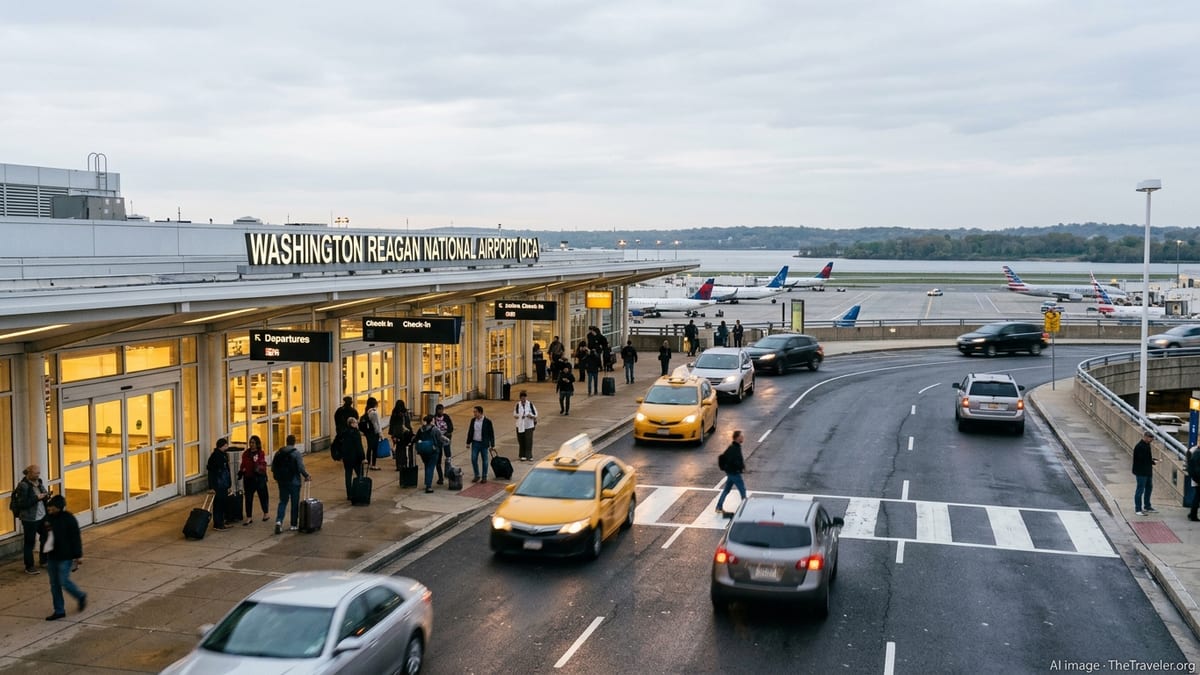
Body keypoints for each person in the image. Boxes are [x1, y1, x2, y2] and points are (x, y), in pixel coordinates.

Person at [43, 495, 85, 621]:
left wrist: (78, 555)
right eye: (49, 508)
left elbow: (75, 538)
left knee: (63, 581)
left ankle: (80, 595)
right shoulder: (48, 518)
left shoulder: (68, 519)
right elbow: (44, 534)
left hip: (65, 556)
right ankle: (59, 610)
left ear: (59, 508)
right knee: (54, 584)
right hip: (52, 555)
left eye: (52, 508)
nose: (50, 510)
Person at [14, 465, 50, 575]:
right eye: (35, 473)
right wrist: (36, 498)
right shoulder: (23, 486)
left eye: (38, 473)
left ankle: (44, 560)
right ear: (28, 473)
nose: (38, 475)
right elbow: (22, 503)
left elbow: (43, 494)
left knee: (46, 536)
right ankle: (29, 566)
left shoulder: (39, 482)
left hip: (41, 515)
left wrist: (46, 496)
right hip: (30, 518)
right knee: (30, 542)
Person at [272, 434, 311, 534]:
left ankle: (279, 521)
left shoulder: (279, 452)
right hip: (294, 482)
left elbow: (273, 467)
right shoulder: (296, 453)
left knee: (283, 501)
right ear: (294, 442)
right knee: (294, 503)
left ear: (286, 441)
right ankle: (293, 524)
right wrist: (306, 476)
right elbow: (301, 468)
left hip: (282, 482)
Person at [238, 435, 270, 525]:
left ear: (257, 444)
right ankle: (249, 517)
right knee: (248, 498)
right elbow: (243, 464)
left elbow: (262, 464)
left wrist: (256, 463)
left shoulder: (260, 453)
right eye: (250, 442)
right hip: (249, 478)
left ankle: (266, 513)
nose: (251, 444)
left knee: (263, 496)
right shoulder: (246, 453)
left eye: (253, 443)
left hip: (259, 478)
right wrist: (241, 471)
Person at [414, 415, 449, 493]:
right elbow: (440, 438)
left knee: (427, 466)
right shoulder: (435, 429)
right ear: (432, 421)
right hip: (433, 450)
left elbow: (416, 438)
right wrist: (447, 441)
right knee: (431, 467)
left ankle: (427, 482)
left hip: (423, 451)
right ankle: (428, 486)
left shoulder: (421, 429)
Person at [715, 430, 747, 514]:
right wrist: (740, 467)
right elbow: (734, 461)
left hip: (731, 473)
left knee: (726, 490)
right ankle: (745, 508)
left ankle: (719, 507)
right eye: (741, 436)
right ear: (737, 438)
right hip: (734, 473)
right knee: (742, 490)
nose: (743, 437)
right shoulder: (734, 448)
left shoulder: (734, 447)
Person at [206, 438, 232, 531]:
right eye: (225, 445)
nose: (227, 447)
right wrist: (212, 486)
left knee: (222, 503)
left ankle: (221, 522)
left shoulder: (221, 455)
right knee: (219, 504)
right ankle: (218, 523)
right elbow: (213, 472)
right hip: (219, 484)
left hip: (223, 484)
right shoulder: (217, 457)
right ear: (221, 446)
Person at [466, 405, 497, 483]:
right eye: (474, 412)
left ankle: (484, 476)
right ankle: (477, 475)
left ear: (480, 412)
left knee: (485, 460)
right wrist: (468, 442)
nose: (474, 413)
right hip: (475, 442)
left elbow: (491, 434)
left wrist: (492, 444)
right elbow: (470, 431)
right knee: (473, 459)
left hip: (484, 443)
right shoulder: (473, 421)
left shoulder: (487, 422)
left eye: (475, 412)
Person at [337, 417, 366, 501]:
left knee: (348, 476)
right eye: (356, 423)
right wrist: (363, 458)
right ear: (352, 424)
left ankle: (349, 494)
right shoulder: (356, 433)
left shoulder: (344, 433)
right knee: (360, 475)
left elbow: (340, 445)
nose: (357, 424)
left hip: (347, 458)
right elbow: (359, 447)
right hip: (356, 458)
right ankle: (359, 491)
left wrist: (341, 455)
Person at [1132, 431, 1159, 516]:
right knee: (1140, 490)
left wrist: (1152, 461)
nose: (1151, 441)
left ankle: (1147, 506)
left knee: (1149, 488)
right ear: (1146, 437)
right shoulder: (1139, 446)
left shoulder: (1147, 445)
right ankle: (1138, 509)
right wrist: (1152, 461)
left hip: (1147, 471)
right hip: (1141, 472)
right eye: (1151, 439)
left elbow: (1147, 458)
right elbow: (1141, 460)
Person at [388, 400, 414, 470]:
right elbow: (408, 423)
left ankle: (398, 465)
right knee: (404, 449)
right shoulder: (405, 413)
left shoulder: (394, 413)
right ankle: (404, 463)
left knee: (398, 449)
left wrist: (392, 434)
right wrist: (410, 432)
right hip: (405, 433)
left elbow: (392, 424)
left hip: (397, 434)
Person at [432, 404, 455, 485]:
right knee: (438, 459)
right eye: (439, 410)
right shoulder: (434, 419)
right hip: (438, 441)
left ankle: (448, 472)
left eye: (442, 410)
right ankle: (440, 477)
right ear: (436, 410)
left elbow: (451, 427)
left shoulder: (446, 417)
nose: (441, 411)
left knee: (448, 456)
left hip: (445, 440)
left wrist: (447, 434)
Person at [514, 390, 538, 461]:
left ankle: (529, 455)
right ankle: (522, 455)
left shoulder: (530, 404)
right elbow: (515, 414)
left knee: (528, 440)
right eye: (522, 398)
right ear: (520, 398)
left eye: (524, 398)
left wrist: (531, 416)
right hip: (520, 425)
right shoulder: (518, 405)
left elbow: (535, 414)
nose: (523, 399)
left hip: (528, 425)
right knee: (521, 440)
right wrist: (520, 415)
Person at [362, 396, 383, 470]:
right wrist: (380, 433)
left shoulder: (367, 411)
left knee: (369, 447)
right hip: (374, 433)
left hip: (368, 433)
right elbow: (376, 424)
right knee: (374, 449)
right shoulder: (374, 413)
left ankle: (368, 462)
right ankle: (373, 464)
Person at [1188, 445, 1200, 522]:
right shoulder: (1197, 453)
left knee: (1197, 497)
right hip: (1198, 479)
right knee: (1197, 497)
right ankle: (1193, 515)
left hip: (1196, 478)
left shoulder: (1194, 451)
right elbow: (1197, 469)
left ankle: (1192, 514)